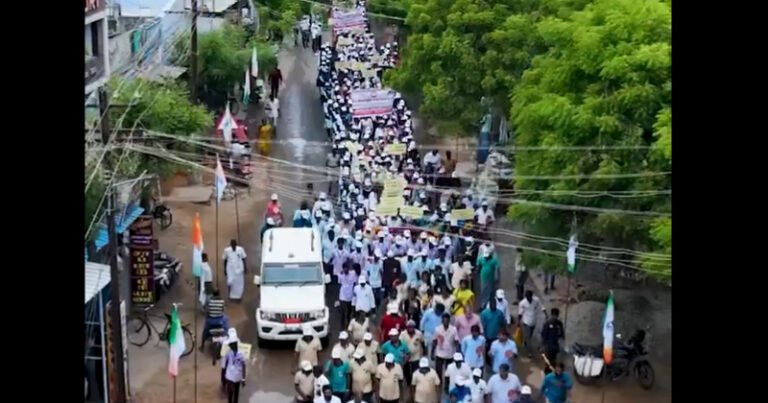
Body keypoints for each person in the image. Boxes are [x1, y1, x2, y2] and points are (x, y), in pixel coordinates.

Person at [432, 313, 459, 380]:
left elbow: (456, 341)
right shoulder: (437, 329)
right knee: (438, 370)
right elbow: (434, 340)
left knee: (448, 371)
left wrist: (457, 352)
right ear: (442, 321)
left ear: (449, 321)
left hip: (450, 353)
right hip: (439, 353)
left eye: (447, 321)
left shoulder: (454, 329)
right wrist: (432, 352)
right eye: (444, 321)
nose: (445, 322)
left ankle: (447, 384)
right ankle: (439, 383)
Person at [518, 290, 543, 357]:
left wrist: (545, 313)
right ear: (526, 297)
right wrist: (518, 322)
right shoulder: (522, 303)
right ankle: (529, 352)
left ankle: (526, 341)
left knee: (530, 335)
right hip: (526, 321)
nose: (529, 298)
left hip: (533, 321)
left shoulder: (536, 300)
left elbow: (541, 306)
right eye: (528, 297)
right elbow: (520, 313)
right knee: (529, 337)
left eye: (530, 297)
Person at [222, 335, 246, 403]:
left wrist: (243, 379)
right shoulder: (228, 352)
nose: (230, 346)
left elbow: (244, 365)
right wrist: (225, 374)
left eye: (231, 344)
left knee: (236, 391)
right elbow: (226, 362)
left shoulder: (241, 353)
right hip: (229, 374)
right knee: (230, 391)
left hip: (238, 375)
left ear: (235, 344)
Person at [399, 320, 425, 386]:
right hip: (406, 356)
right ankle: (408, 382)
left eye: (412, 327)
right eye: (409, 327)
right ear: (407, 327)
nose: (410, 328)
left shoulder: (419, 333)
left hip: (416, 355)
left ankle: (415, 382)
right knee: (406, 371)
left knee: (415, 370)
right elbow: (400, 345)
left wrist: (424, 350)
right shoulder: (402, 334)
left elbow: (422, 342)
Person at [540, 308, 565, 375]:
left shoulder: (558, 324)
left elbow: (562, 335)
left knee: (552, 360)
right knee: (549, 360)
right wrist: (542, 346)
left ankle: (551, 373)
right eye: (554, 315)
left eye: (555, 315)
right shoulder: (549, 323)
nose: (555, 317)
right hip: (550, 346)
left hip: (553, 346)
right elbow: (543, 335)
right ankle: (549, 373)